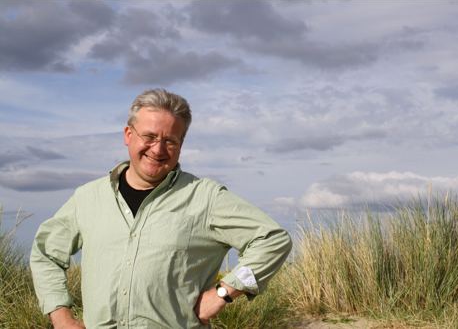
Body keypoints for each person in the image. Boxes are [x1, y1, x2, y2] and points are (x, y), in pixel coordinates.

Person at [30, 88, 292, 329]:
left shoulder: (205, 197)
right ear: (128, 134)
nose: (158, 149)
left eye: (170, 140)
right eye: (149, 136)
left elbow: (272, 239)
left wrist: (225, 292)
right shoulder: (87, 198)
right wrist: (61, 317)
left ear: (181, 145)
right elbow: (46, 254)